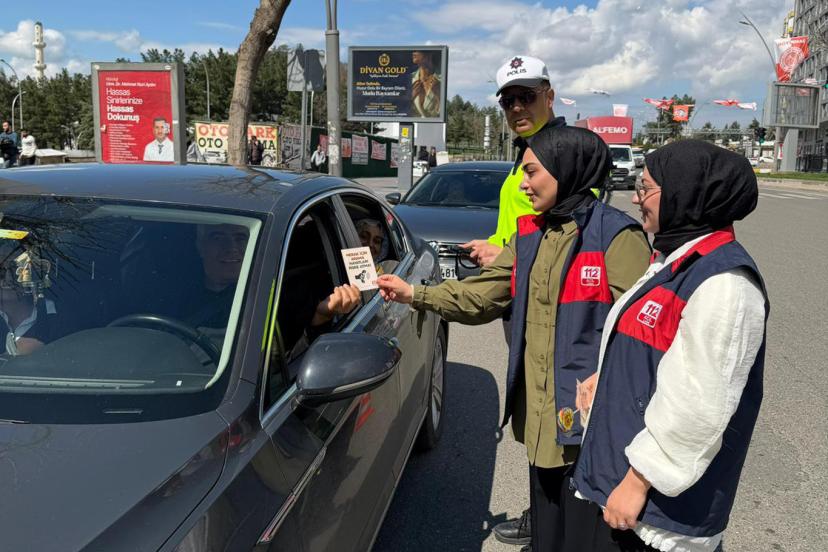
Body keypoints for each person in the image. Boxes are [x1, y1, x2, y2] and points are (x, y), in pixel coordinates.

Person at [377, 125, 651, 552]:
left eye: (532, 172)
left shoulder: (617, 238)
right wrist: (414, 294)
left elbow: (643, 345)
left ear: (566, 169)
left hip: (592, 431)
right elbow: (481, 296)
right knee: (547, 533)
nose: (522, 184)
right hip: (541, 422)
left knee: (588, 540)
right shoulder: (529, 234)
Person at [570, 140, 768, 552]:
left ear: (686, 193)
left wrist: (638, 481)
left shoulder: (724, 283)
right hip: (628, 486)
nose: (635, 198)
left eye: (645, 187)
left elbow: (700, 404)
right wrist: (605, 379)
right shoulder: (674, 259)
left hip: (660, 513)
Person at [459, 55, 569, 546]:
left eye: (526, 96)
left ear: (550, 95)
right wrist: (495, 246)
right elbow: (522, 229)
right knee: (535, 411)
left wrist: (504, 255)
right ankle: (546, 515)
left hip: (548, 304)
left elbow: (566, 234)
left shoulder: (562, 153)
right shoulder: (528, 150)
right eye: (508, 100)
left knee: (550, 412)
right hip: (520, 293)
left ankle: (552, 522)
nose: (517, 107)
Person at [182, 223, 358, 347]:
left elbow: (292, 361)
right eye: (218, 237)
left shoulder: (278, 298)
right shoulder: (173, 297)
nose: (231, 247)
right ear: (200, 246)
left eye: (240, 238)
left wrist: (321, 316)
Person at [411, 50, 441, 118]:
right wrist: (411, 98)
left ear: (429, 55)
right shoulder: (409, 79)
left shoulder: (442, 79)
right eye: (414, 50)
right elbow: (400, 111)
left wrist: (439, 96)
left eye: (418, 50)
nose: (414, 52)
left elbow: (445, 113)